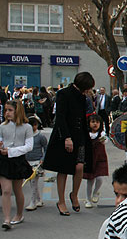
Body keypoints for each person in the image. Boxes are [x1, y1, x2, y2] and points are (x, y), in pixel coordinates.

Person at [42, 72, 95, 216]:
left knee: (79, 167)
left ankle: (74, 194)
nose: (89, 91)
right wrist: (66, 137)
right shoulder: (63, 94)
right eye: (88, 88)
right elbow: (60, 117)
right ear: (83, 85)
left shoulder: (83, 97)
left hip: (80, 136)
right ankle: (61, 201)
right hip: (64, 135)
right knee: (63, 169)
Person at [0, 100, 33, 229]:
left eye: (10, 110)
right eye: (6, 110)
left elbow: (28, 146)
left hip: (18, 160)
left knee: (17, 189)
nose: (7, 113)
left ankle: (19, 214)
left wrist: (11, 151)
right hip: (4, 160)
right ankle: (7, 219)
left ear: (17, 110)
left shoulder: (27, 127)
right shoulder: (2, 126)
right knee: (6, 190)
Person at [83, 114, 109, 208]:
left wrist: (103, 140)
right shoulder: (87, 134)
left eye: (97, 122)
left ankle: (96, 192)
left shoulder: (102, 133)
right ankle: (87, 199)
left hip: (100, 158)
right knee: (90, 180)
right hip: (89, 158)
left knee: (100, 178)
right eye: (93, 122)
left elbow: (106, 140)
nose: (95, 124)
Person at [25, 116, 47, 211]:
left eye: (34, 125)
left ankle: (33, 202)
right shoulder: (25, 137)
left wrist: (43, 159)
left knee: (33, 182)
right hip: (27, 162)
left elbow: (46, 149)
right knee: (32, 182)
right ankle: (39, 199)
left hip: (37, 162)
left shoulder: (41, 137)